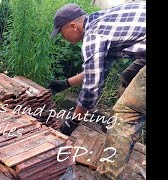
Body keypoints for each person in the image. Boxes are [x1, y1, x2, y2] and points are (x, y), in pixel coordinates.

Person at [48, 2, 146, 180]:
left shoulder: (93, 35)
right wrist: (65, 83)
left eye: (62, 34)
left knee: (124, 116)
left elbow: (91, 90)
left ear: (73, 26)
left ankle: (108, 174)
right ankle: (123, 131)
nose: (64, 38)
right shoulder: (101, 21)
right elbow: (97, 70)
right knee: (127, 77)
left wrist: (72, 123)